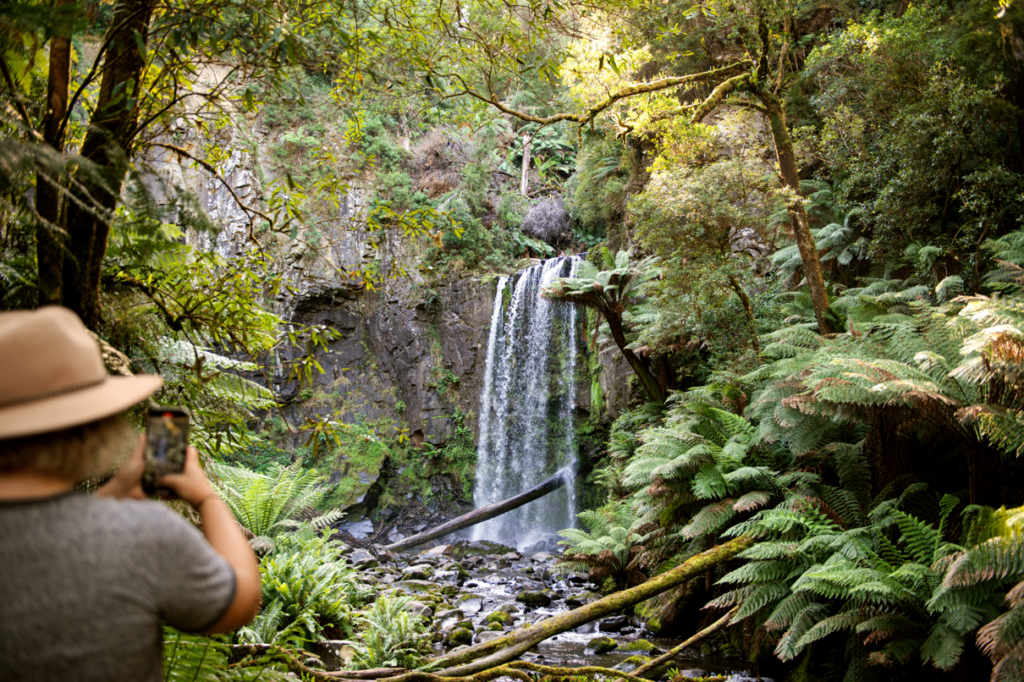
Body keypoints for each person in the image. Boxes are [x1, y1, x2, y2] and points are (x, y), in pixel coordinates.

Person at [0, 307, 261, 681]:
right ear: (93, 427)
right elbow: (240, 599)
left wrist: (112, 494)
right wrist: (206, 498)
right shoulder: (143, 535)